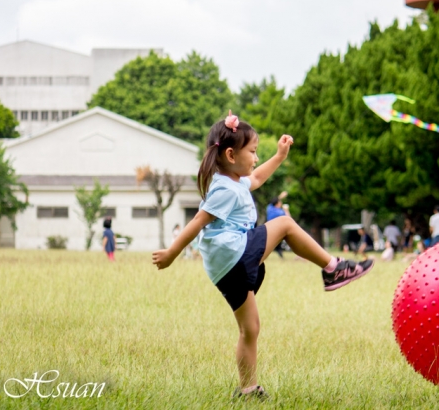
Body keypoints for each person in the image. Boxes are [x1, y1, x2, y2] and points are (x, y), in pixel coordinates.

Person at [151, 110, 374, 400]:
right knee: (283, 223)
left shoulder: (235, 182)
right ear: (231, 155)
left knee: (250, 328)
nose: (256, 158)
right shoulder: (224, 189)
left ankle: (247, 389)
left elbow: (256, 177)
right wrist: (171, 253)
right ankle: (334, 267)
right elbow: (197, 222)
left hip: (225, 268)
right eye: (253, 152)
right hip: (233, 253)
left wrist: (280, 156)